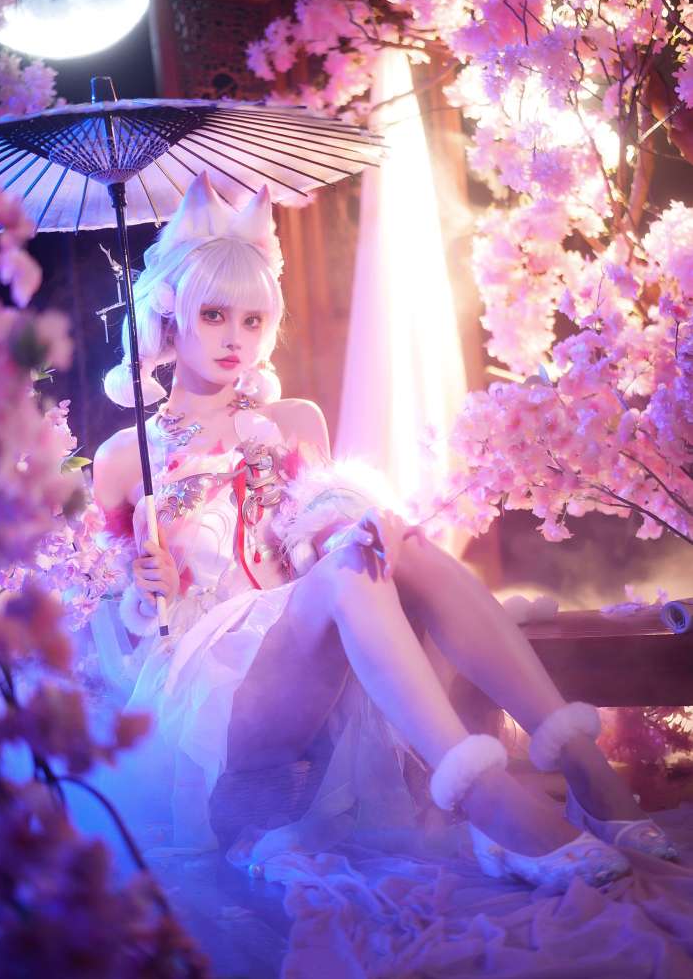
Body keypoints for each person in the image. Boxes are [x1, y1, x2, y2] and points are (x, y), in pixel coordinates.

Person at [93, 172, 676, 890]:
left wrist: (354, 527)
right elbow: (115, 648)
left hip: (307, 637)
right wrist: (141, 593)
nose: (235, 339)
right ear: (169, 314)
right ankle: (489, 800)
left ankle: (586, 771)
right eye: (213, 314)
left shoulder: (294, 421)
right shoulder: (125, 458)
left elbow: (305, 541)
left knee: (393, 543)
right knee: (347, 572)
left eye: (252, 319)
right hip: (213, 692)